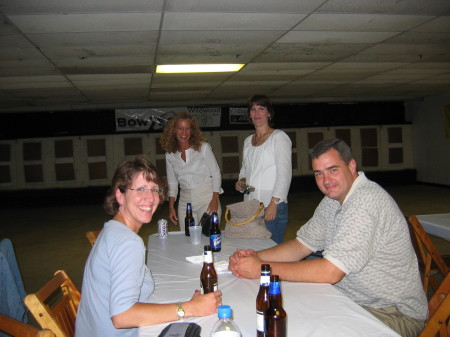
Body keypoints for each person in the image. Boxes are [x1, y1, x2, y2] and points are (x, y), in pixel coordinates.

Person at [229, 138, 428, 337]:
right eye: (319, 173)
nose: (326, 181)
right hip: (349, 300)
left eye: (333, 170)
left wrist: (261, 269)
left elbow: (330, 272)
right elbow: (301, 245)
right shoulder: (333, 199)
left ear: (351, 166)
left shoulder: (365, 202)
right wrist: (255, 257)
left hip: (392, 314)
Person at [75, 156, 221, 337]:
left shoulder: (112, 230)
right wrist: (189, 308)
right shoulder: (128, 242)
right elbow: (122, 316)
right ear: (119, 195)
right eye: (141, 189)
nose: (150, 198)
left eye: (154, 189)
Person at [234, 95, 292, 244]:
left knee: (272, 252)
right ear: (249, 115)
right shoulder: (248, 141)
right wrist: (241, 181)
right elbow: (245, 169)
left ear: (269, 113)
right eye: (253, 109)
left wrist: (274, 204)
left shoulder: (279, 138)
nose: (257, 113)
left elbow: (284, 174)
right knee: (253, 250)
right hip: (250, 207)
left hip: (271, 206)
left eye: (261, 109)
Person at [160, 112, 222, 228]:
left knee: (208, 237)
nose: (184, 133)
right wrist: (171, 207)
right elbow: (173, 183)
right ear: (174, 130)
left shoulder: (203, 147)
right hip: (185, 202)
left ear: (192, 130)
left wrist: (214, 199)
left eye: (187, 128)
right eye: (180, 128)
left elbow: (216, 174)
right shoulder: (170, 154)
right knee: (186, 240)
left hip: (207, 199)